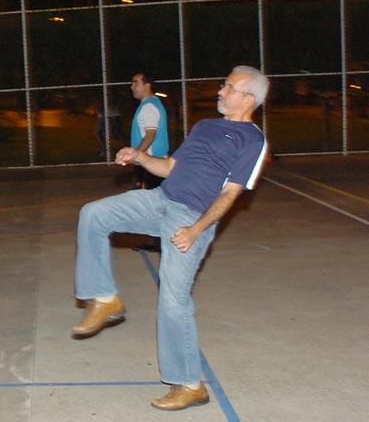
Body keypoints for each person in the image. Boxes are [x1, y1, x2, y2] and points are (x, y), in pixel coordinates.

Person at [72, 66, 269, 411]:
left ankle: (190, 385)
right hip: (160, 200)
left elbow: (230, 193)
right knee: (94, 213)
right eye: (223, 85)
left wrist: (197, 229)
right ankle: (104, 298)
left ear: (248, 98)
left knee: (173, 301)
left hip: (191, 218)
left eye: (228, 87)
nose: (221, 91)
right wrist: (140, 156)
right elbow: (172, 167)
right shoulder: (204, 126)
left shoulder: (252, 140)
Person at [129, 71, 169, 189]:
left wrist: (136, 155)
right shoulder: (151, 103)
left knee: (149, 197)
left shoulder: (149, 107)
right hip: (151, 161)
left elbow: (150, 135)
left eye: (136, 82)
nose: (132, 86)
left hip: (151, 162)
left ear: (147, 85)